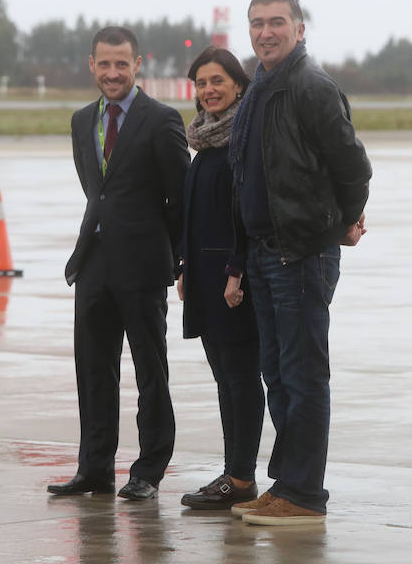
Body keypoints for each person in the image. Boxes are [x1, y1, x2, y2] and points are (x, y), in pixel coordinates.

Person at [227, 0, 372, 525]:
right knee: (278, 375)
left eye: (277, 22)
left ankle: (305, 494)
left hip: (301, 255)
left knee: (304, 374)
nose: (266, 32)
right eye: (258, 23)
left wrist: (341, 225)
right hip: (266, 255)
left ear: (300, 29)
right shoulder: (261, 89)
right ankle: (288, 483)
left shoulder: (311, 88)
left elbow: (354, 168)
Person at [48, 26, 190, 501]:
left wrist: (174, 257)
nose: (112, 73)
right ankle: (94, 469)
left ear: (138, 65)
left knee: (151, 372)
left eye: (121, 64)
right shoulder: (81, 120)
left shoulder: (161, 119)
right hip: (94, 264)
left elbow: (180, 200)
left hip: (144, 266)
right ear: (92, 65)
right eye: (104, 64)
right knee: (92, 370)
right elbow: (97, 191)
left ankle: (148, 470)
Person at [176, 46, 265, 510]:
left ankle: (242, 477)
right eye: (201, 83)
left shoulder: (243, 141)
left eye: (217, 81)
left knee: (241, 379)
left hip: (234, 283)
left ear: (238, 85)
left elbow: (245, 216)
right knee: (225, 380)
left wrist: (236, 270)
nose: (208, 90)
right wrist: (186, 267)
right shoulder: (207, 141)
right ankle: (233, 472)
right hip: (206, 278)